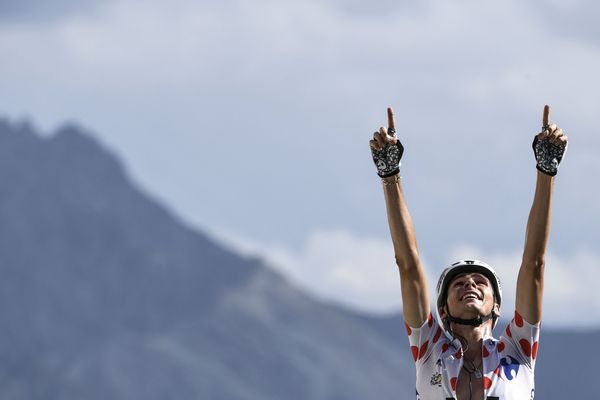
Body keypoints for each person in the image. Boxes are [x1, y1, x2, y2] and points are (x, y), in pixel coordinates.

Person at [369, 105, 568, 400]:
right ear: (444, 309)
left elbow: (534, 264)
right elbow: (408, 265)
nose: (470, 285)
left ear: (497, 306)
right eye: (459, 284)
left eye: (479, 282)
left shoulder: (518, 348)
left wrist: (547, 170)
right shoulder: (429, 348)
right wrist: (390, 174)